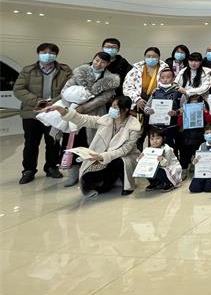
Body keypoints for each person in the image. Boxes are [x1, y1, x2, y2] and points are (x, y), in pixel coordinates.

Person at [46, 96, 141, 197]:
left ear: (125, 110)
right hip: (102, 156)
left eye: (115, 107)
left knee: (117, 161)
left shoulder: (134, 126)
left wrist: (103, 156)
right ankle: (108, 179)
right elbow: (84, 119)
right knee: (87, 178)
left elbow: (124, 150)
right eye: (112, 106)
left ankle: (113, 183)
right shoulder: (106, 119)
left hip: (125, 157)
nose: (112, 109)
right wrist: (63, 111)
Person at [14, 43, 73, 184]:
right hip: (32, 112)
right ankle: (28, 170)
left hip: (54, 112)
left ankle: (51, 167)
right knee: (31, 143)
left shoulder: (64, 70)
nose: (48, 55)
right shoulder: (28, 70)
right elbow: (18, 89)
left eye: (51, 53)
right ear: (38, 53)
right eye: (44, 52)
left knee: (53, 142)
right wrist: (37, 101)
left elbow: (70, 88)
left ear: (56, 55)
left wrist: (55, 101)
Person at [58, 52, 120, 186]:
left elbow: (103, 98)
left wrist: (84, 108)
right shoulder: (80, 71)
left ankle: (88, 175)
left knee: (91, 144)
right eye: (97, 60)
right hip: (72, 111)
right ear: (93, 59)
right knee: (72, 142)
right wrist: (70, 105)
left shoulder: (111, 79)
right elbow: (66, 89)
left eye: (103, 62)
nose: (98, 64)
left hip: (95, 113)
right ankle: (72, 174)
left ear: (108, 64)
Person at [122, 47, 169, 114]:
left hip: (158, 104)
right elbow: (127, 87)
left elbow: (170, 86)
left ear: (159, 57)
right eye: (148, 56)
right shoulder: (136, 70)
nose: (151, 58)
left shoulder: (165, 70)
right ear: (144, 57)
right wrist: (137, 99)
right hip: (139, 103)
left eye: (154, 56)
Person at [143, 67, 182, 147]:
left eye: (168, 77)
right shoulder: (155, 92)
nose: (165, 80)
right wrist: (148, 111)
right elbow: (147, 106)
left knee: (170, 148)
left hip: (172, 126)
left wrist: (176, 112)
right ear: (159, 79)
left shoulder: (178, 92)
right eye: (162, 77)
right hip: (156, 127)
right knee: (155, 148)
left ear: (173, 78)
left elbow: (184, 108)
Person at [176, 94, 211, 173]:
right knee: (184, 153)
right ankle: (184, 169)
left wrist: (205, 111)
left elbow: (209, 120)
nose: (193, 105)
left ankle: (195, 165)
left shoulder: (203, 109)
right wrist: (181, 115)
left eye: (196, 103)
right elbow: (179, 124)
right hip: (186, 134)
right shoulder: (185, 109)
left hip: (200, 133)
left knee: (198, 151)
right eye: (191, 103)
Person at [140, 128, 182, 192]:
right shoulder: (148, 149)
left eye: (158, 138)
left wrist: (162, 160)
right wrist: (140, 158)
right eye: (152, 139)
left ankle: (169, 183)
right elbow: (142, 163)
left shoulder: (167, 149)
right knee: (145, 168)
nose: (155, 141)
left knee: (158, 170)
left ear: (163, 139)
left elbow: (167, 164)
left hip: (171, 167)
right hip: (159, 167)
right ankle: (154, 182)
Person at [188, 125, 211, 193]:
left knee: (208, 189)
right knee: (194, 189)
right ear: (204, 135)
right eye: (207, 133)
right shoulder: (202, 145)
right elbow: (197, 157)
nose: (209, 135)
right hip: (201, 171)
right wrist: (195, 161)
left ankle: (210, 182)